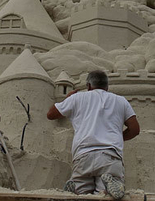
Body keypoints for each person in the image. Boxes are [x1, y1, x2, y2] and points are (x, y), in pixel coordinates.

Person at [47, 70, 140, 199]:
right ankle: (109, 188)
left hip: (83, 155)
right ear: (107, 87)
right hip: (110, 155)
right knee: (106, 197)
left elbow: (51, 114)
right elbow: (135, 129)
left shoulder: (77, 98)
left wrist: (67, 98)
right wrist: (118, 137)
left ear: (89, 86)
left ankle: (75, 191)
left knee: (82, 195)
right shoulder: (120, 101)